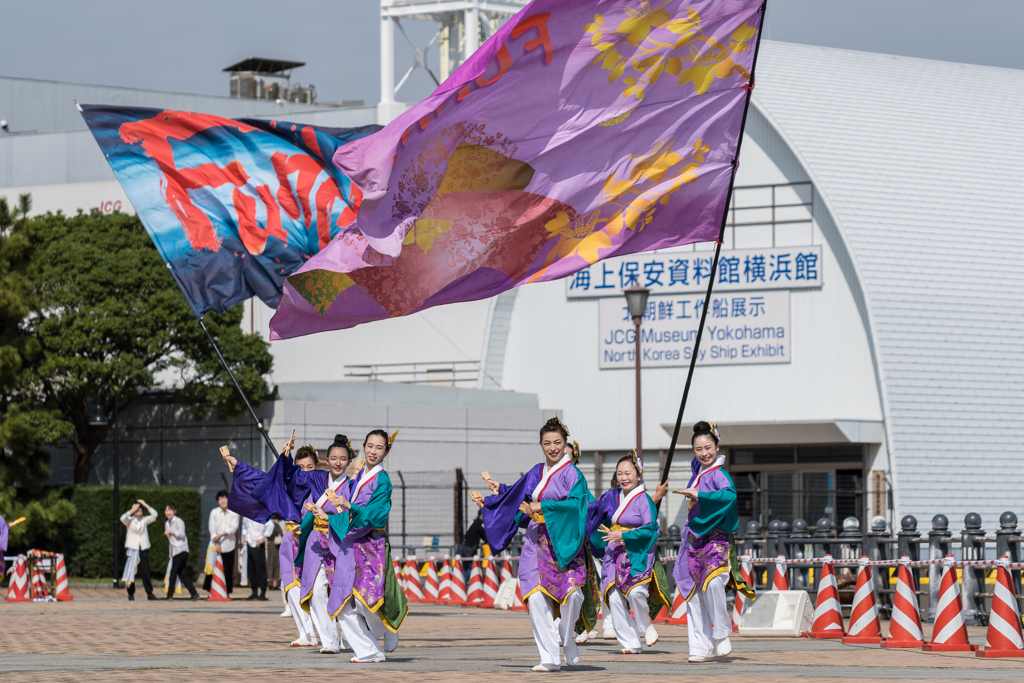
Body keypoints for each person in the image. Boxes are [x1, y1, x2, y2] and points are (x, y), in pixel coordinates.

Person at [479, 416, 596, 672]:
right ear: (541, 445)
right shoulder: (536, 471)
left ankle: (566, 638)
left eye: (557, 443)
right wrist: (497, 496)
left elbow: (578, 506)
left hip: (562, 542)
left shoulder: (573, 474)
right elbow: (518, 495)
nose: (552, 448)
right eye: (546, 443)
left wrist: (543, 505)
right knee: (535, 600)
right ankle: (549, 657)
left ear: (566, 444)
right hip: (535, 542)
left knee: (573, 595)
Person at [225, 433, 357, 653]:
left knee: (344, 593)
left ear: (348, 461)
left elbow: (359, 512)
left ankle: (353, 637)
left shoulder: (352, 486)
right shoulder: (316, 478)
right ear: (327, 460)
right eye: (333, 458)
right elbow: (279, 478)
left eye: (343, 459)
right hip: (312, 541)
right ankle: (328, 641)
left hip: (338, 541)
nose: (337, 463)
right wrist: (285, 457)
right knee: (311, 591)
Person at [322, 429, 408, 664]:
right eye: (370, 446)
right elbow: (346, 507)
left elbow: (376, 514)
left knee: (363, 599)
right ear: (364, 446)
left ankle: (389, 623)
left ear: (386, 451)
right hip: (351, 543)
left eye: (379, 448)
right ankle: (369, 650)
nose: (373, 451)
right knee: (341, 600)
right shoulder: (360, 475)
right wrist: (328, 514)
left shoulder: (383, 480)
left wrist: (350, 506)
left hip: (371, 544)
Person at [672, 421, 753, 663]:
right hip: (693, 539)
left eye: (708, 447)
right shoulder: (698, 469)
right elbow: (697, 463)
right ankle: (699, 646)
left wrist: (700, 495)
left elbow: (729, 496)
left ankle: (721, 632)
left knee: (716, 581)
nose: (704, 453)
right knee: (693, 592)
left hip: (715, 538)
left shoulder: (719, 473)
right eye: (698, 449)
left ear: (717, 446)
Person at [587, 453, 670, 653]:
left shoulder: (644, 500)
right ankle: (631, 643)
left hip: (636, 553)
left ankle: (646, 625)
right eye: (620, 473)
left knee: (636, 593)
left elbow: (650, 528)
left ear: (638, 475)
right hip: (614, 555)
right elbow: (591, 513)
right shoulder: (610, 496)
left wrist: (623, 535)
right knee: (614, 598)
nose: (624, 477)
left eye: (628, 473)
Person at [280, 445, 320, 646]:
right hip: (288, 539)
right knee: (291, 589)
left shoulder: (319, 488)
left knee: (313, 590)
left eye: (310, 467)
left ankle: (334, 635)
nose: (305, 471)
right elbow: (273, 480)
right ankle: (306, 634)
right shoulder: (290, 485)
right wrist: (285, 456)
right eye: (301, 467)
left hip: (308, 540)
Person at [120, 500, 158, 601]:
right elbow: (122, 518)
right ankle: (131, 593)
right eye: (136, 511)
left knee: (145, 571)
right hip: (132, 549)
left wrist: (145, 504)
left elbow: (155, 515)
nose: (138, 513)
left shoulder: (144, 520)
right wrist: (131, 510)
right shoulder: (129, 520)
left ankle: (149, 593)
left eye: (140, 510)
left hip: (143, 548)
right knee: (130, 571)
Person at [205, 491, 239, 595]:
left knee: (228, 569)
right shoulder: (214, 512)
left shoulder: (234, 512)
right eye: (220, 499)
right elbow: (212, 528)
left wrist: (221, 535)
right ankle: (211, 590)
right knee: (213, 567)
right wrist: (217, 542)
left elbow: (233, 528)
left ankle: (227, 591)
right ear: (218, 501)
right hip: (216, 544)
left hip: (229, 545)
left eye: (225, 498)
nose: (223, 501)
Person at [163, 503, 200, 600]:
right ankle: (194, 593)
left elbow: (181, 535)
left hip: (181, 550)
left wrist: (171, 532)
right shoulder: (167, 523)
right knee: (182, 574)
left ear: (175, 511)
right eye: (167, 510)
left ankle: (170, 595)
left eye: (171, 510)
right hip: (174, 551)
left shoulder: (179, 521)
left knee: (173, 572)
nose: (168, 512)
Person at [243, 515, 276, 600]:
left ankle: (262, 592)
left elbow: (270, 525)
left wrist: (263, 538)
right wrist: (244, 538)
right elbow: (244, 527)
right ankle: (254, 592)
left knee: (260, 569)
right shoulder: (246, 515)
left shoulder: (261, 513)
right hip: (249, 543)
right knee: (251, 569)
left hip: (258, 544)